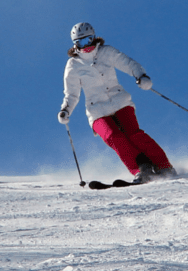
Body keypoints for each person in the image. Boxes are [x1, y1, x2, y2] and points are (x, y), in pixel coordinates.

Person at [58, 22, 175, 183]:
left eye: (89, 40)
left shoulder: (106, 52)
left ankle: (164, 166)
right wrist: (65, 110)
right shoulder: (73, 65)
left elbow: (128, 64)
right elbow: (71, 93)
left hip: (119, 101)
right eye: (81, 42)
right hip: (96, 110)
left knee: (133, 134)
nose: (87, 46)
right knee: (114, 136)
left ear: (94, 37)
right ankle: (142, 168)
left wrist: (141, 76)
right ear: (75, 44)